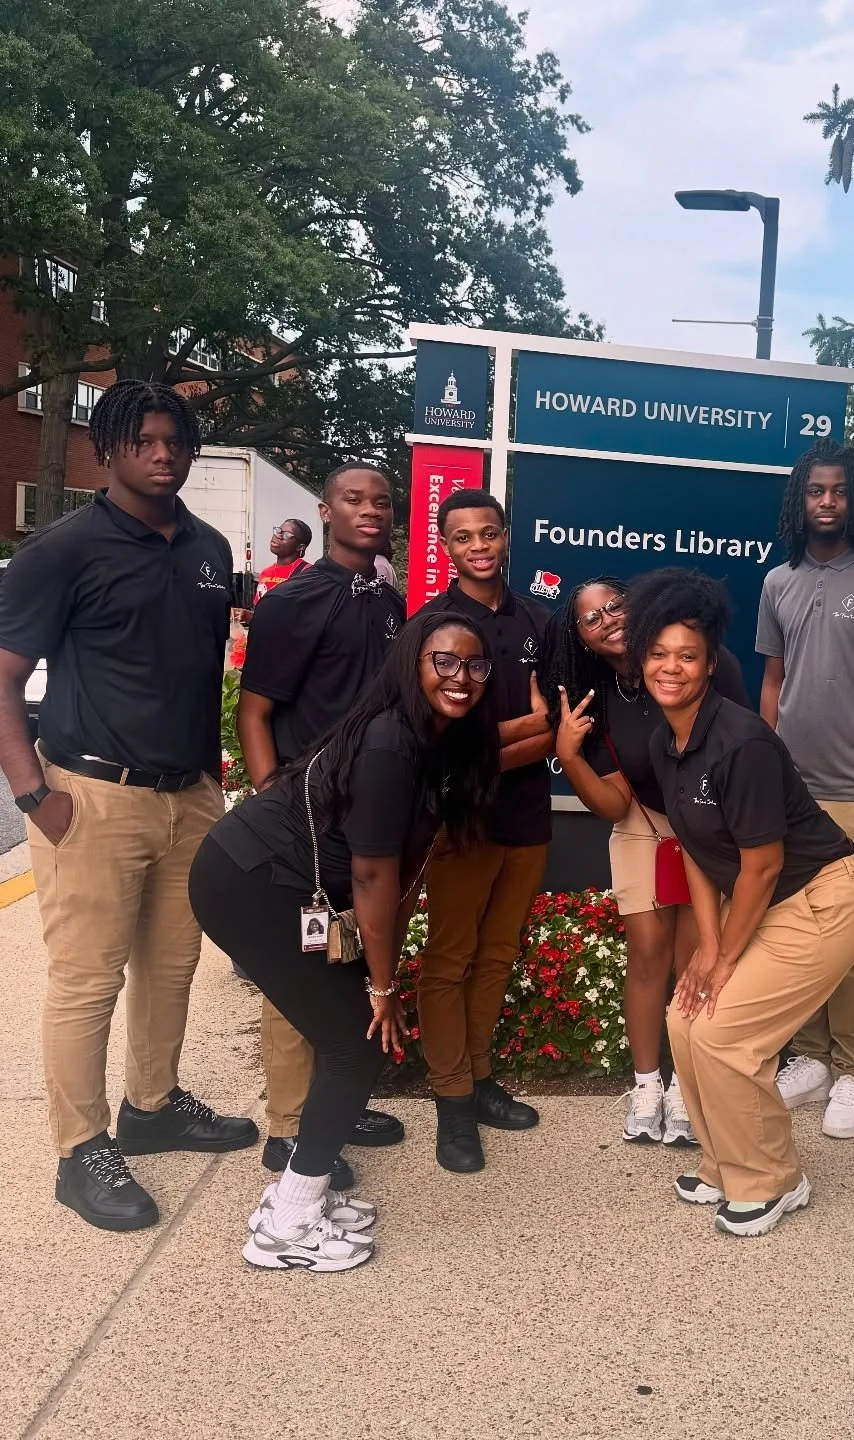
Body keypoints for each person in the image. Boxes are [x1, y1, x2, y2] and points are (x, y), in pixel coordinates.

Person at [0, 380, 257, 1233]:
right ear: (109, 449)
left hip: (189, 796)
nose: (162, 454)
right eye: (143, 441)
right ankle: (81, 1153)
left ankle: (152, 1107)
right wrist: (34, 795)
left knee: (172, 965)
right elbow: (2, 677)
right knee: (86, 980)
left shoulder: (211, 549)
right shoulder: (63, 550)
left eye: (174, 441)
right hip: (91, 795)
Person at [190, 611, 499, 1270]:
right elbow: (371, 874)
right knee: (357, 1046)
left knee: (350, 1042)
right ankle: (288, 1225)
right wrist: (381, 986)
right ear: (414, 664)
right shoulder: (392, 743)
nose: (462, 676)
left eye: (476, 664)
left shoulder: (428, 736)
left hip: (270, 881)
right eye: (444, 661)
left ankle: (302, 1194)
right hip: (251, 884)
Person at [622, 569, 854, 1237]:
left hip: (822, 899)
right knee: (685, 1019)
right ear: (641, 656)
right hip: (763, 902)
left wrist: (725, 959)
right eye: (659, 653)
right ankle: (725, 1161)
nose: (671, 667)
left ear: (709, 666)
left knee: (727, 1032)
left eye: (688, 655)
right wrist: (706, 950)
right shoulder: (665, 742)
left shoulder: (742, 743)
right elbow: (701, 856)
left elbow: (761, 867)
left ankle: (774, 1179)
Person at [236, 464, 408, 1189]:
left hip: (364, 811)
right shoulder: (296, 600)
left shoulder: (388, 600)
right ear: (325, 510)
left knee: (343, 959)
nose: (369, 511)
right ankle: (289, 1127)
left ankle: (334, 1102)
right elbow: (254, 712)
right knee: (299, 970)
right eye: (354, 500)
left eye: (380, 502)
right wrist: (278, 802)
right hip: (307, 815)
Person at [545, 574, 751, 1144]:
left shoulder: (696, 660)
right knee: (649, 952)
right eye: (592, 618)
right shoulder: (593, 699)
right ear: (581, 638)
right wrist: (570, 753)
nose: (608, 618)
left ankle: (688, 1086)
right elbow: (613, 805)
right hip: (644, 822)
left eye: (615, 605)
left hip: (709, 823)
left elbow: (741, 755)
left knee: (695, 958)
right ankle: (646, 1084)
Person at [757, 440, 854, 1139]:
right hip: (791, 789)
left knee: (850, 938)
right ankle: (813, 1060)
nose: (827, 502)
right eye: (816, 491)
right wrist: (764, 773)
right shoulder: (777, 583)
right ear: (801, 499)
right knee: (796, 933)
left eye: (839, 491)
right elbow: (770, 682)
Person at [413, 489, 555, 1171]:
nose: (478, 547)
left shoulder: (538, 620)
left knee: (496, 955)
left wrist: (516, 737)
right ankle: (451, 1103)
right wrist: (528, 732)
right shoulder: (433, 624)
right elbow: (430, 741)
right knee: (448, 960)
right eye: (463, 536)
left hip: (526, 816)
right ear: (447, 547)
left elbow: (563, 722)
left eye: (488, 534)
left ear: (505, 537)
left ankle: (478, 1076)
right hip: (459, 821)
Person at [228, 518, 312, 670]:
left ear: (300, 546)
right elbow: (260, 612)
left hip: (289, 655)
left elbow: (303, 619)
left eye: (286, 534)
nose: (278, 536)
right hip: (264, 649)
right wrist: (245, 615)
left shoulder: (307, 573)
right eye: (278, 530)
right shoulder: (266, 572)